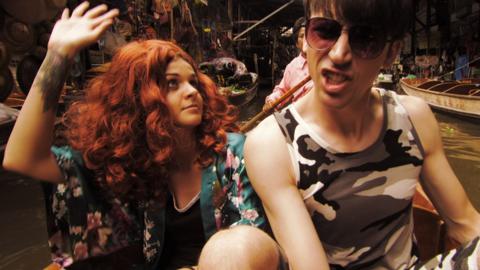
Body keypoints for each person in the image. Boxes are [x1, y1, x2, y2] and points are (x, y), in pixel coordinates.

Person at [2, 2, 266, 269]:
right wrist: (58, 55)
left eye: (193, 81)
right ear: (138, 99)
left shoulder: (233, 155)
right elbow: (23, 158)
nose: (191, 92)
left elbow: (248, 249)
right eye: (172, 83)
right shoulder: (128, 164)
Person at [245, 0, 480, 269]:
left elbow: (465, 224)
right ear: (307, 39)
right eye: (324, 31)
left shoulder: (413, 117)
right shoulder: (272, 143)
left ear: (391, 53)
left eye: (365, 39)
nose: (339, 54)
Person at [264, 17, 313, 110]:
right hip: (300, 117)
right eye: (302, 36)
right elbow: (282, 91)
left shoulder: (325, 61)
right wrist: (271, 100)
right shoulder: (292, 67)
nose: (307, 39)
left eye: (310, 35)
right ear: (297, 44)